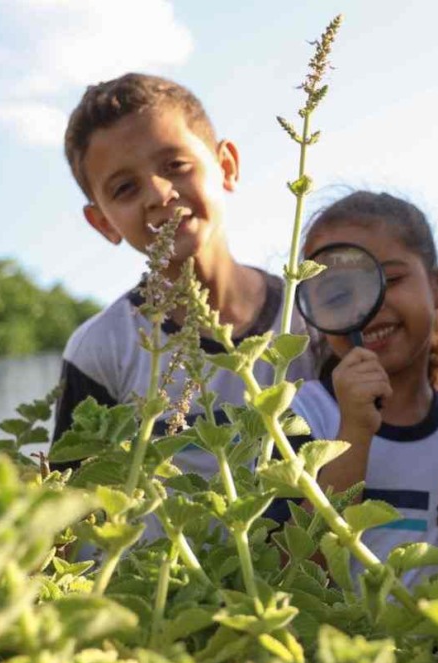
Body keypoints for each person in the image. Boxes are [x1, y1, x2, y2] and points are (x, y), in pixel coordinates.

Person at [53, 73, 314, 476]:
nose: (160, 194)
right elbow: (72, 501)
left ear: (226, 166)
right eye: (125, 188)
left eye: (175, 165)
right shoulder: (101, 350)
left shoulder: (309, 317)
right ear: (103, 222)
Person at [286, 191, 438, 586]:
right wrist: (354, 432)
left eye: (390, 280)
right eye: (338, 295)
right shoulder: (298, 417)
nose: (368, 305)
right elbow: (293, 568)